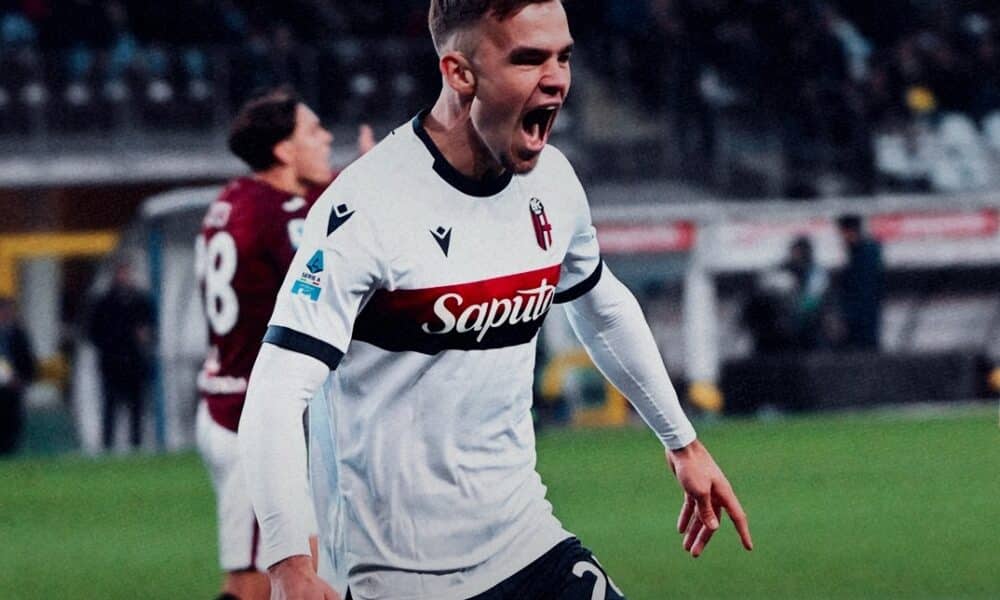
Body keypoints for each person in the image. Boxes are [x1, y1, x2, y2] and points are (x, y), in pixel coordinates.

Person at [239, 2, 753, 599]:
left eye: (563, 57)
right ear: (460, 73)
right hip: (395, 577)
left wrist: (682, 441)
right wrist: (289, 567)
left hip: (527, 544)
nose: (556, 79)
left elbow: (602, 306)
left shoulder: (553, 182)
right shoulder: (364, 208)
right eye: (528, 59)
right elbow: (275, 393)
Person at [196, 87, 374, 600]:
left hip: (225, 398)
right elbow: (325, 250)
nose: (328, 140)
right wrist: (366, 186)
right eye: (314, 131)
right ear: (283, 151)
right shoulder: (286, 217)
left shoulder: (234, 199)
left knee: (299, 573)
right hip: (251, 418)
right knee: (256, 586)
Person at [87, 261, 154, 451]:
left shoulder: (140, 301)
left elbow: (150, 327)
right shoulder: (103, 302)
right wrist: (110, 344)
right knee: (109, 407)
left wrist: (145, 336)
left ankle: (136, 445)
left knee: (136, 408)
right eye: (122, 273)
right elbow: (92, 332)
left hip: (134, 363)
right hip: (111, 363)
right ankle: (107, 446)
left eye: (127, 272)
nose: (125, 277)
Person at [835, 214, 884, 349]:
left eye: (844, 233)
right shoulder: (860, 252)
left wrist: (847, 316)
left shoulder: (864, 254)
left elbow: (862, 290)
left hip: (862, 318)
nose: (842, 238)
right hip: (862, 316)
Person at [0, 298, 36, 456]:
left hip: (13, 388)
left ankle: (10, 452)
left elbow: (28, 361)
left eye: (9, 311)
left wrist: (22, 379)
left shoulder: (19, 335)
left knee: (12, 422)